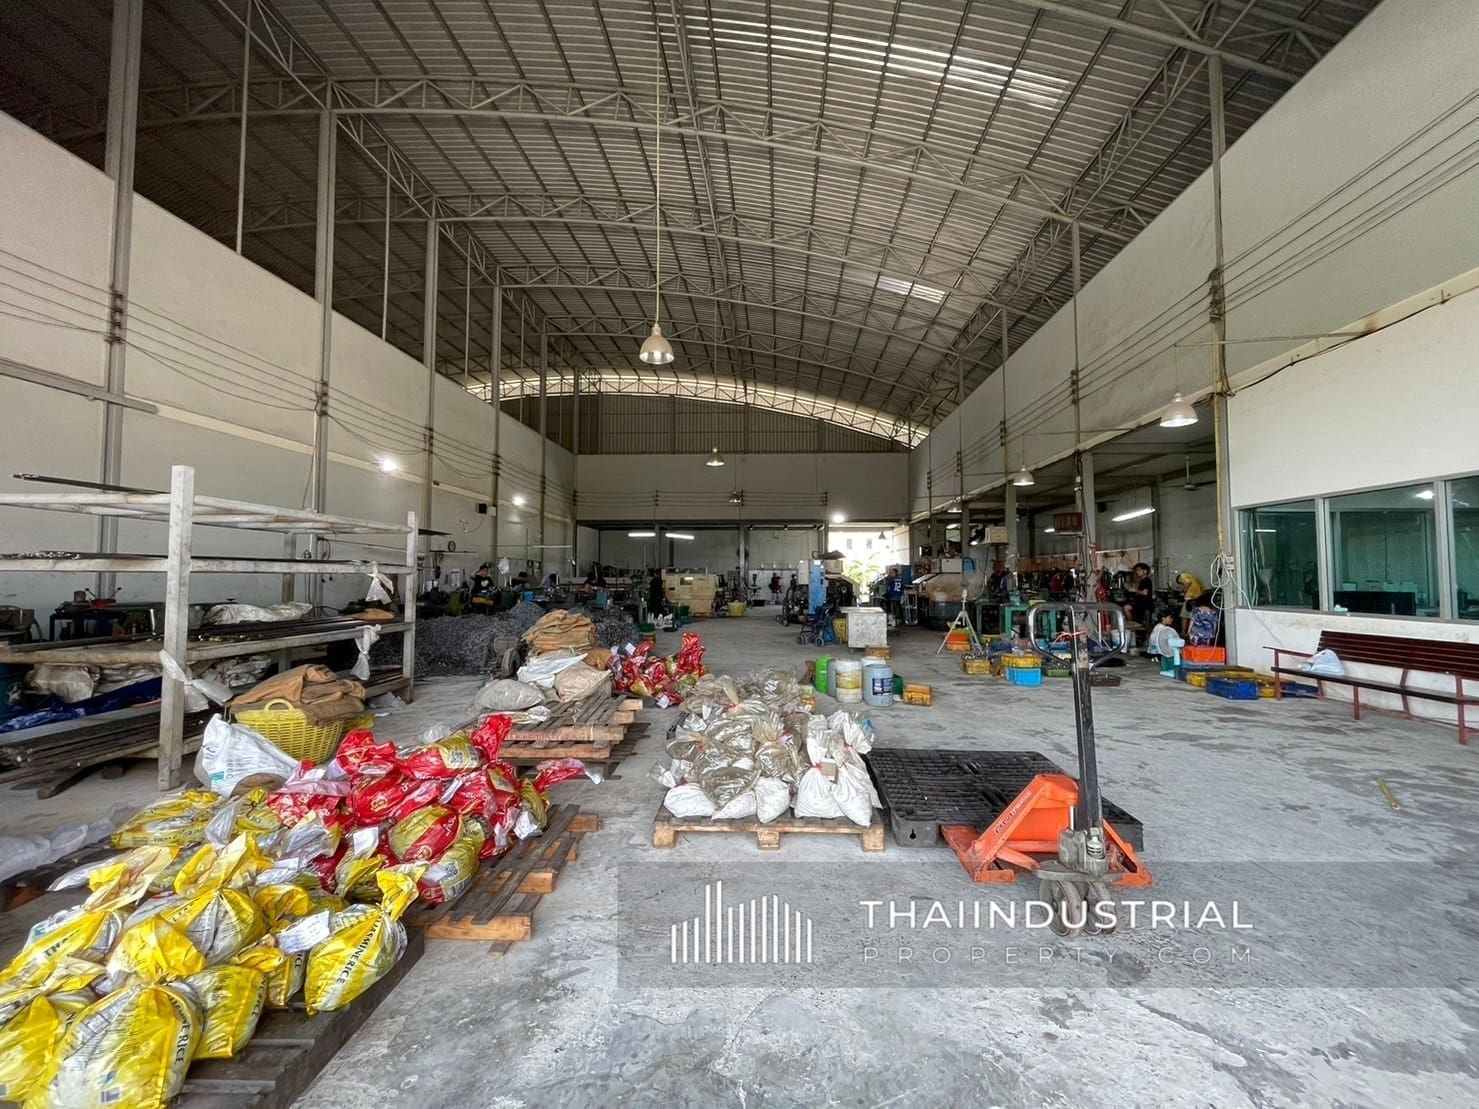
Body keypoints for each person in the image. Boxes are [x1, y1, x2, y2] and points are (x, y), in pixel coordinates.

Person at [1176, 570, 1209, 635]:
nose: (1181, 583)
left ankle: (1183, 632)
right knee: (1194, 615)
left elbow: (1188, 582)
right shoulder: (1194, 578)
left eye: (1180, 582)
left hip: (1190, 597)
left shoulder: (1183, 576)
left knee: (1184, 615)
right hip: (1197, 597)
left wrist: (1185, 589)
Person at [1124, 563, 1154, 631]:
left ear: (1145, 571)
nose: (1137, 572)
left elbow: (1145, 593)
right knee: (1127, 607)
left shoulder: (1146, 580)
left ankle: (1132, 627)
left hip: (1144, 605)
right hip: (1140, 604)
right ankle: (1133, 626)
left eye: (1139, 570)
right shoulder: (1142, 580)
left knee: (1126, 608)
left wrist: (1134, 590)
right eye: (1136, 570)